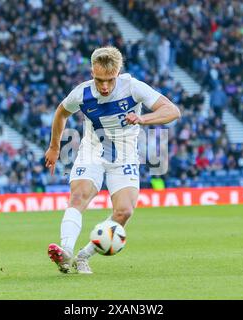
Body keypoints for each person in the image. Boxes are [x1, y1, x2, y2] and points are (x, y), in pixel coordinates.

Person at [44, 46, 181, 274]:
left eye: (109, 80)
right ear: (91, 73)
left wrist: (142, 118)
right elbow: (61, 112)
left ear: (118, 72)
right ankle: (65, 251)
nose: (104, 86)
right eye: (99, 80)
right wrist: (54, 147)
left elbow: (172, 111)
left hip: (124, 156)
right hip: (92, 151)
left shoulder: (132, 87)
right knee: (78, 197)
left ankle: (82, 256)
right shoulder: (82, 93)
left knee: (124, 212)